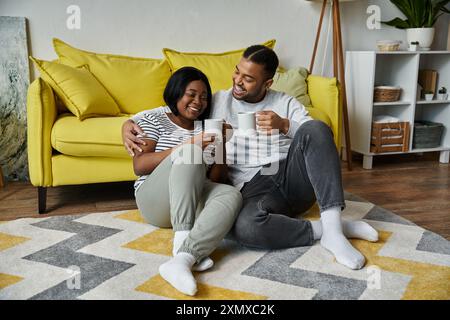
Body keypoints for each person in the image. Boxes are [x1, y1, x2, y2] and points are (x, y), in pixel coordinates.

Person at [123, 46, 378, 271]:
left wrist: (285, 125)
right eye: (237, 72)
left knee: (317, 128)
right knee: (245, 230)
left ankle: (333, 229)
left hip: (290, 176)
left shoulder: (285, 103)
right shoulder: (217, 100)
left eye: (248, 79)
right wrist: (128, 123)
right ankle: (330, 229)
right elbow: (178, 106)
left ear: (267, 83)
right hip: (250, 187)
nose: (237, 81)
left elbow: (319, 139)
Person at [132, 66, 242, 296]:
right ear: (176, 92)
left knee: (231, 194)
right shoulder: (154, 118)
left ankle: (184, 258)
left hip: (191, 202)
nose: (197, 101)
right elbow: (139, 165)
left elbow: (214, 180)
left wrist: (221, 143)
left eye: (203, 97)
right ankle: (181, 240)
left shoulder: (207, 127)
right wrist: (190, 145)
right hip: (155, 201)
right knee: (191, 153)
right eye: (190, 94)